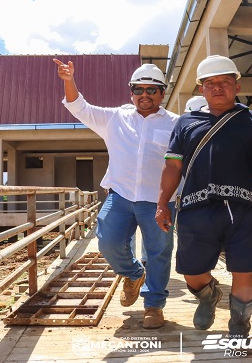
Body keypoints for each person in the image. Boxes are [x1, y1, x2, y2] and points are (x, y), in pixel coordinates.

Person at [155, 55, 252, 350]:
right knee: (191, 272)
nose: (218, 87)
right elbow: (173, 168)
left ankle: (239, 330)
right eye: (211, 83)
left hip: (244, 209)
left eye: (225, 82)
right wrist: (162, 203)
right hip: (195, 209)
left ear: (237, 86)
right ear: (201, 89)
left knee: (244, 270)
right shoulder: (184, 123)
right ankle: (207, 295)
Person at [54, 59, 178, 329]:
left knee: (159, 252)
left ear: (162, 93)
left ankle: (153, 305)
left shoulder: (176, 124)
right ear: (130, 92)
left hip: (158, 200)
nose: (144, 94)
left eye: (151, 89)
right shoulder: (115, 118)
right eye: (138, 89)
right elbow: (79, 107)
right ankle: (133, 274)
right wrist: (69, 79)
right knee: (107, 242)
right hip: (120, 196)